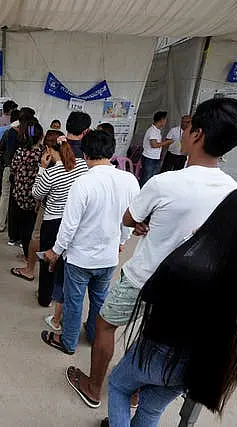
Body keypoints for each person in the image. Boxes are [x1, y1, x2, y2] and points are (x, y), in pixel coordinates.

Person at [70, 97, 237, 411]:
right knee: (154, 336)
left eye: (188, 126)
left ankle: (94, 386)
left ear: (198, 135)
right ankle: (136, 389)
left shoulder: (165, 182)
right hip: (187, 289)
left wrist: (146, 220)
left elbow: (129, 218)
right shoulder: (232, 190)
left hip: (144, 276)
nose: (182, 131)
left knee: (105, 325)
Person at [104, 185, 237, 427]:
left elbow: (150, 293)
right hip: (200, 364)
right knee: (150, 406)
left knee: (118, 386)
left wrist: (192, 242)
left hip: (160, 350)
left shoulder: (190, 265)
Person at [41, 130, 139, 355]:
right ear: (112, 151)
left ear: (85, 154)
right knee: (99, 299)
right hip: (108, 256)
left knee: (74, 302)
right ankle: (95, 336)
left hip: (80, 257)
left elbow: (69, 225)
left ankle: (68, 341)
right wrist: (122, 241)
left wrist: (55, 251)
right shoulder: (129, 180)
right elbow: (132, 218)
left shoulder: (83, 182)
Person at [32, 132, 88, 313]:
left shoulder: (50, 172)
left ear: (48, 149)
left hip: (53, 221)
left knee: (49, 259)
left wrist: (41, 168)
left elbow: (37, 193)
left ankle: (44, 297)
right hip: (75, 219)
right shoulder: (81, 165)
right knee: (65, 259)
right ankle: (60, 294)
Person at [8, 120, 44, 270]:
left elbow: (13, 170)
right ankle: (32, 255)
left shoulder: (20, 152)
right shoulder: (43, 153)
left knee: (24, 227)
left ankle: (27, 255)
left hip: (20, 194)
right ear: (40, 136)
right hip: (37, 196)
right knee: (34, 228)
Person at [0, 109, 33, 236]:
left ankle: (0, 224)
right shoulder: (29, 133)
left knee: (4, 196)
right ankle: (17, 230)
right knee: (19, 200)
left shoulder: (9, 131)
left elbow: (0, 147)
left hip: (8, 167)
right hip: (25, 171)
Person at [0, 109, 20, 204]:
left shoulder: (5, 130)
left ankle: (0, 213)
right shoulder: (26, 132)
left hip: (7, 163)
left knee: (5, 192)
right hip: (19, 166)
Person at [140, 111, 171, 186]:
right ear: (161, 120)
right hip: (149, 158)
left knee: (152, 178)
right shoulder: (152, 131)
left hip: (154, 157)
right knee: (146, 178)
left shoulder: (157, 130)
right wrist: (166, 142)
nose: (166, 122)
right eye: (165, 120)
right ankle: (142, 194)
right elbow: (154, 145)